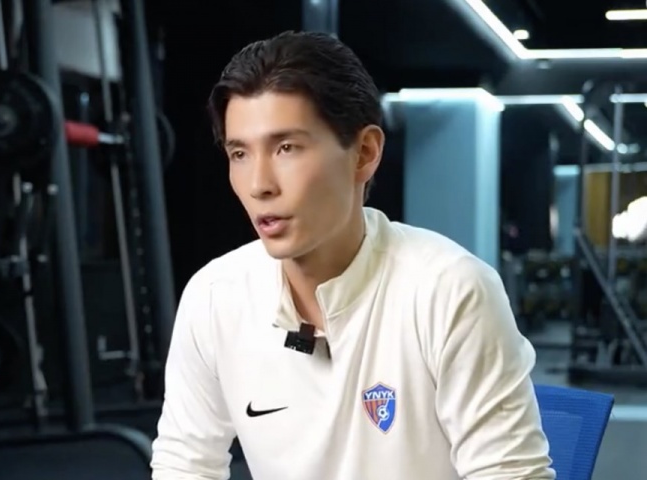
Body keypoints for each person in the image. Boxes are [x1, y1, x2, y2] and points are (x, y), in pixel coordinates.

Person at [150, 31, 555, 480]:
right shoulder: (215, 295)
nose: (259, 184)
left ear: (364, 153)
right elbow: (184, 465)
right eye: (240, 153)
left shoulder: (449, 289)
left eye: (286, 148)